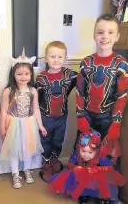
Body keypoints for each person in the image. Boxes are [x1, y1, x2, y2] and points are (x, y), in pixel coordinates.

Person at [75, 13, 128, 170]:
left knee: (106, 156)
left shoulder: (121, 64)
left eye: (110, 32)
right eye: (100, 32)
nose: (105, 36)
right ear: (94, 35)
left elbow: (122, 96)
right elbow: (80, 92)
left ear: (117, 36)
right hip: (87, 115)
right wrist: (80, 117)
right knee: (84, 152)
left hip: (108, 118)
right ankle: (83, 187)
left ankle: (104, 192)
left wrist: (116, 124)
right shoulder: (86, 62)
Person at [0, 48, 47, 189]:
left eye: (26, 74)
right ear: (13, 75)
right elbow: (3, 111)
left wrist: (41, 125)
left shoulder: (33, 91)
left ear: (31, 74)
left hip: (29, 123)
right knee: (14, 149)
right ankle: (15, 173)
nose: (23, 77)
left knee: (28, 148)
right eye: (19, 74)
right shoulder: (9, 91)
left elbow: (36, 108)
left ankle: (26, 169)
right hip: (13, 123)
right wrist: (2, 127)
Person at [35, 41, 77, 182]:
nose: (56, 60)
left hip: (61, 117)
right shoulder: (41, 78)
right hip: (46, 117)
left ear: (65, 58)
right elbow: (37, 99)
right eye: (52, 56)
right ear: (46, 58)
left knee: (58, 140)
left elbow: (82, 80)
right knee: (45, 140)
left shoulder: (69, 74)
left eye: (60, 57)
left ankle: (55, 161)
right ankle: (47, 163)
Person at [48, 130, 125, 204]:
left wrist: (93, 170)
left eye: (90, 152)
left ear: (97, 151)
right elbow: (70, 164)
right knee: (72, 177)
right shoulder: (77, 154)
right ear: (79, 148)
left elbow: (110, 169)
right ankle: (83, 195)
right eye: (83, 151)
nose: (86, 155)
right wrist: (76, 168)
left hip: (97, 177)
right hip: (82, 177)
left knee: (105, 184)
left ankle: (109, 198)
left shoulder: (101, 157)